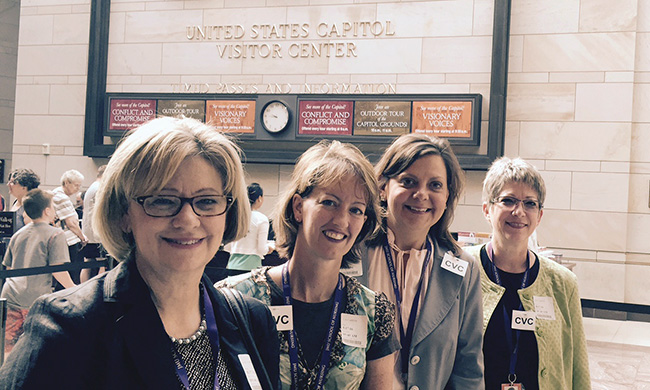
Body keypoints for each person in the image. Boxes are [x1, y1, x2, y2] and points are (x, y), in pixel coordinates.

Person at [0, 116, 280, 390]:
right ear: (124, 214)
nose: (188, 220)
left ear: (228, 214)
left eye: (207, 201)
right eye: (162, 201)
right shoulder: (68, 327)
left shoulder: (253, 321)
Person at [217, 140, 399, 390]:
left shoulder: (373, 313)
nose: (341, 220)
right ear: (299, 207)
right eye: (329, 202)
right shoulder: (233, 299)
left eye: (355, 210)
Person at [356, 134, 484, 389]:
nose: (421, 194)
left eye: (435, 185)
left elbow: (468, 371)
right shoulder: (349, 252)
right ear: (383, 187)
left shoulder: (464, 270)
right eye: (408, 181)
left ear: (447, 195)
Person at [465, 157, 591, 390]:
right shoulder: (463, 269)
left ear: (539, 215)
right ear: (487, 210)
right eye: (508, 200)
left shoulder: (563, 283)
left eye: (530, 203)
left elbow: (578, 366)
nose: (519, 211)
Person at [1, 188, 76, 357]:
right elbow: (58, 270)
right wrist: (75, 289)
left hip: (11, 294)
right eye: (53, 207)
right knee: (32, 348)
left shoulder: (18, 235)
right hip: (35, 298)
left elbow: (8, 269)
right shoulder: (56, 234)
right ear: (47, 211)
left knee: (8, 350)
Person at [52, 169, 88, 285]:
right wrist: (82, 237)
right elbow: (71, 223)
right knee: (72, 275)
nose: (78, 188)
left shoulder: (57, 194)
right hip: (69, 241)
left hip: (64, 240)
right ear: (67, 182)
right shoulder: (61, 197)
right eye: (76, 185)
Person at [226, 183, 272, 271]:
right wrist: (269, 248)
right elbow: (262, 249)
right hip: (251, 266)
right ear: (259, 198)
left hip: (232, 264)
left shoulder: (236, 217)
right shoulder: (262, 219)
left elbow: (227, 246)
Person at [80, 164, 107, 282]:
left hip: (88, 232)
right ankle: (100, 288)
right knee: (103, 263)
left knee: (88, 263)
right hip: (97, 233)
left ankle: (84, 287)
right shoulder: (100, 188)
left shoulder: (92, 187)